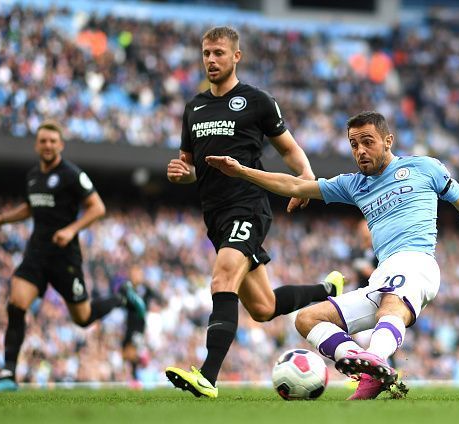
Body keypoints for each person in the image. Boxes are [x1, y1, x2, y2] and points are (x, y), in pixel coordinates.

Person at [206, 111, 459, 400]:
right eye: (354, 145)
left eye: (367, 142)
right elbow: (293, 184)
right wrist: (242, 171)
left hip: (417, 262)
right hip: (383, 275)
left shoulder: (425, 168)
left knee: (390, 308)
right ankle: (364, 368)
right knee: (307, 318)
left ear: (388, 141)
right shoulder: (353, 185)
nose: (360, 151)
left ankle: (377, 361)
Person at [165, 26, 344, 398]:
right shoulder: (193, 108)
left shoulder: (257, 101)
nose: (211, 60)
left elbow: (290, 150)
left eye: (218, 53)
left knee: (222, 278)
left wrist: (306, 180)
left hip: (248, 206)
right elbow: (191, 168)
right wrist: (183, 174)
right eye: (206, 53)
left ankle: (208, 378)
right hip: (214, 215)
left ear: (236, 56)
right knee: (263, 307)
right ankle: (327, 289)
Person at [0, 120, 146, 392]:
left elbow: (97, 208)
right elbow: (29, 208)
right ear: (36, 144)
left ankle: (123, 298)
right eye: (43, 141)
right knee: (16, 304)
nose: (48, 145)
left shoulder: (71, 174)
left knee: (83, 318)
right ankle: (8, 375)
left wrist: (70, 230)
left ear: (61, 145)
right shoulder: (33, 176)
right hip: (36, 254)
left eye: (53, 141)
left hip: (64, 258)